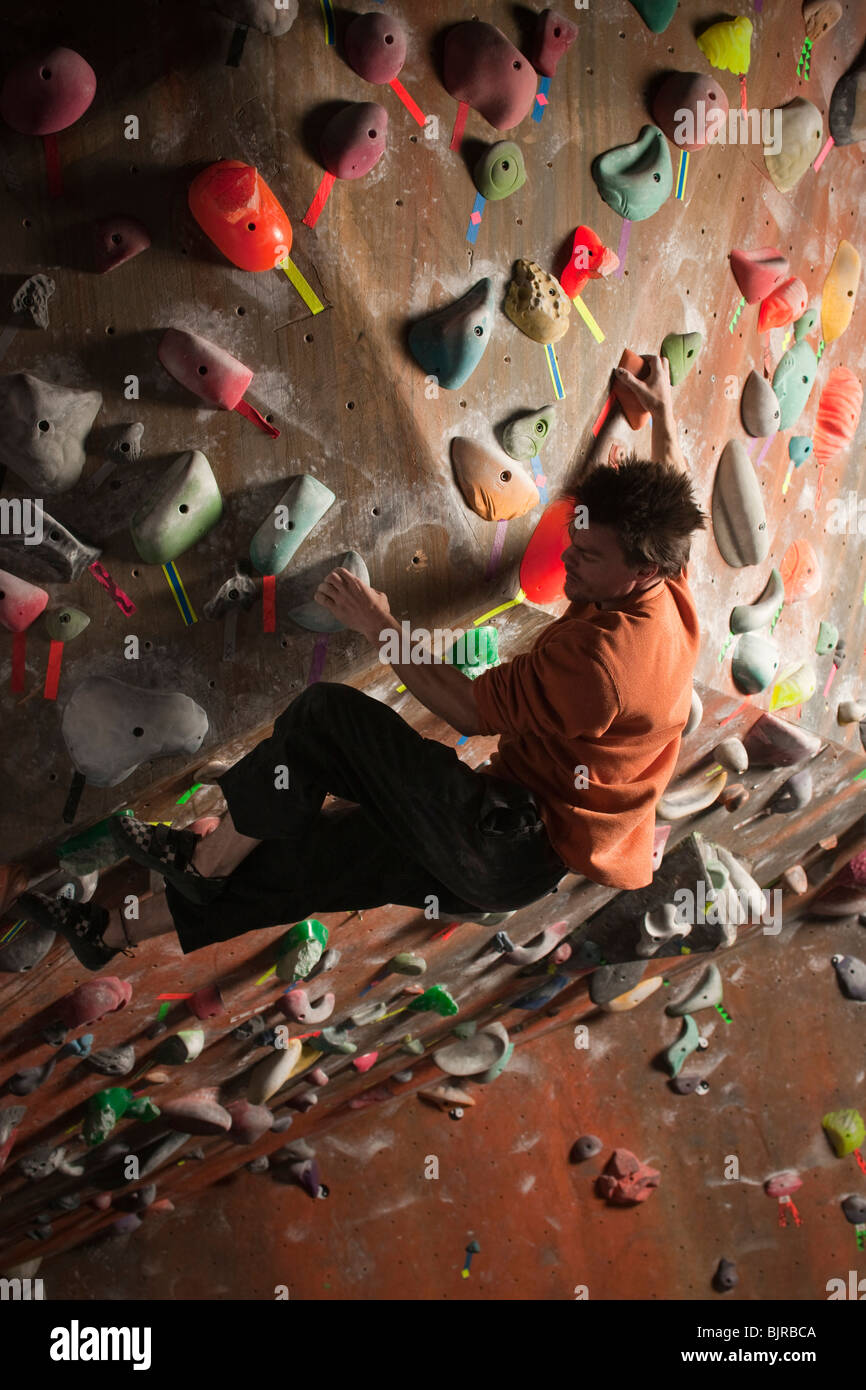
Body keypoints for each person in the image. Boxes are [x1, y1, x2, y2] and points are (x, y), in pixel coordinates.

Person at [19, 356, 705, 972]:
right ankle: (108, 931)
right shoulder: (667, 585)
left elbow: (467, 709)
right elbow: (675, 493)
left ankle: (200, 861)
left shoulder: (603, 664)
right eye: (577, 542)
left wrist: (380, 625)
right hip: (511, 854)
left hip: (500, 841)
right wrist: (663, 409)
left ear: (640, 569)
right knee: (304, 869)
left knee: (327, 719)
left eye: (588, 559)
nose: (570, 560)